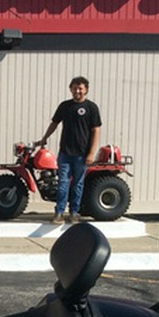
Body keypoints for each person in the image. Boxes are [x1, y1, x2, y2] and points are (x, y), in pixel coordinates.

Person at [37, 76, 102, 224]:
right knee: (63, 183)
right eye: (74, 88)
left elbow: (96, 130)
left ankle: (74, 212)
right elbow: (54, 123)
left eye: (80, 88)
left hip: (82, 154)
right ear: (70, 89)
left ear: (86, 90)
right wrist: (44, 138)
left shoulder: (91, 108)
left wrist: (91, 153)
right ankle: (59, 212)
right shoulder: (65, 106)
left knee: (78, 184)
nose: (77, 91)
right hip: (65, 153)